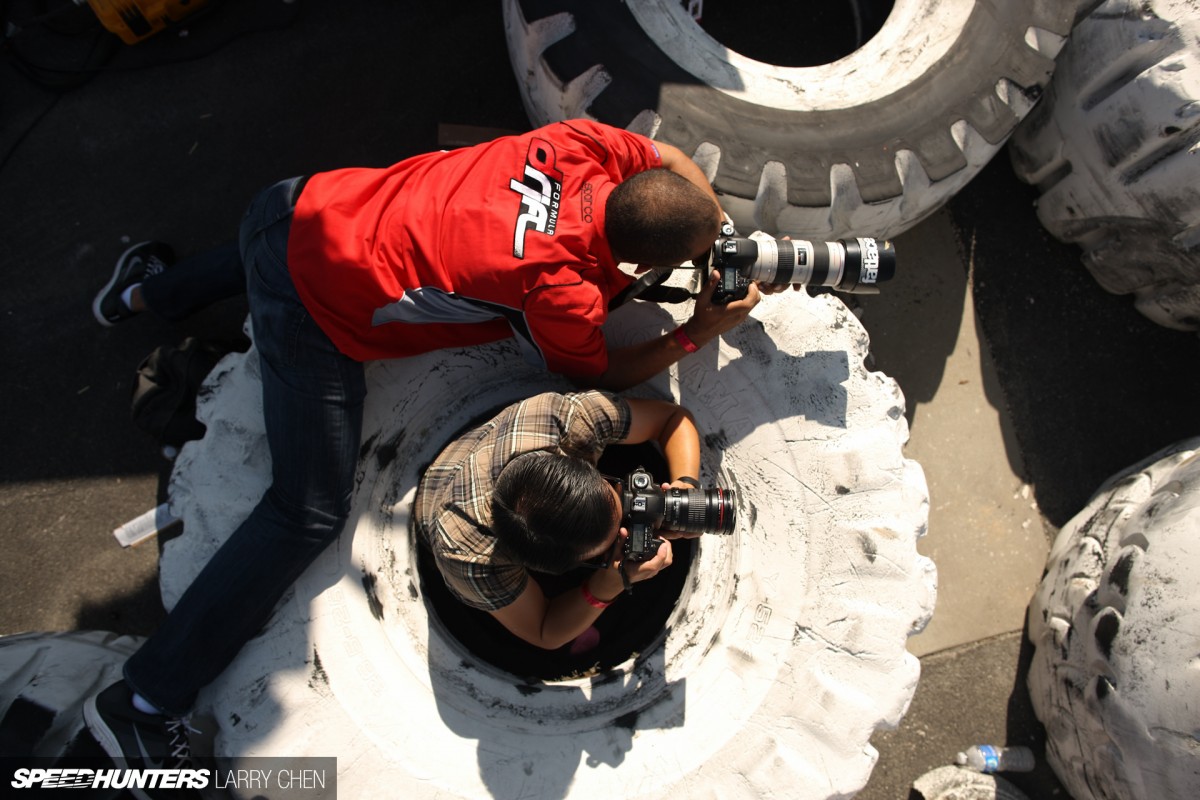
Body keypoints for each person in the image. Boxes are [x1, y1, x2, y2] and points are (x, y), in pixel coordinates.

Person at [83, 119, 762, 775]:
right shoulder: (561, 290)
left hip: (302, 204)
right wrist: (695, 331)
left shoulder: (579, 143)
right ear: (642, 262)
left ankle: (142, 294)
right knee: (306, 511)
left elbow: (672, 161)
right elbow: (590, 372)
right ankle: (144, 700)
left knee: (267, 242)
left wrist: (716, 237)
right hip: (311, 310)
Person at [414, 390, 702, 655]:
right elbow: (544, 630)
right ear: (553, 570)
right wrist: (611, 583)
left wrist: (685, 486)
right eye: (605, 550)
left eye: (618, 491)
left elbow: (671, 419)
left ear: (580, 467)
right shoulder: (470, 556)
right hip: (435, 508)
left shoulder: (561, 420)